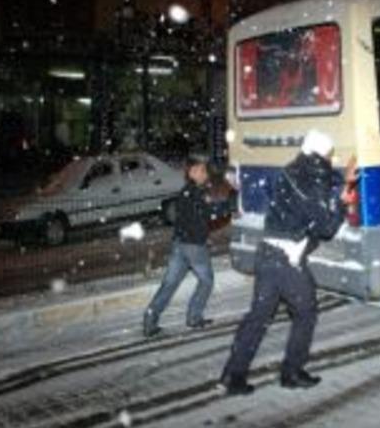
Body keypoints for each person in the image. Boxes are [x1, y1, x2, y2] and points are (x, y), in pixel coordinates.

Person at [221, 130, 357, 395]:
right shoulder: (313, 179)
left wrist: (343, 183)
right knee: (305, 312)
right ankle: (292, 372)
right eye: (329, 153)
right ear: (321, 153)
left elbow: (317, 192)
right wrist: (342, 203)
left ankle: (233, 375)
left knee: (258, 317)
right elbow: (325, 227)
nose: (331, 158)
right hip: (287, 258)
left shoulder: (292, 171)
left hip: (268, 252)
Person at [143, 155, 230, 338]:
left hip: (180, 244)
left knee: (170, 283)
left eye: (204, 170)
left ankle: (150, 319)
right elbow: (209, 214)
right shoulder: (195, 193)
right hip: (193, 246)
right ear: (191, 173)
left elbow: (197, 216)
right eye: (200, 170)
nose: (204, 173)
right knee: (206, 281)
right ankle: (194, 317)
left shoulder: (187, 191)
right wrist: (226, 206)